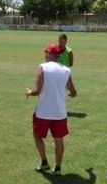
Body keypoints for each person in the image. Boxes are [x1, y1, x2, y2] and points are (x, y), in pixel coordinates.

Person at [26, 43, 77, 175]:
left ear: (50, 54)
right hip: (60, 113)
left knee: (37, 136)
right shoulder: (66, 70)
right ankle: (58, 168)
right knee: (59, 140)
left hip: (43, 112)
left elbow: (37, 91)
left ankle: (44, 162)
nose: (44, 55)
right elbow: (73, 92)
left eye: (46, 52)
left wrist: (29, 92)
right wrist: (70, 94)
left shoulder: (42, 67)